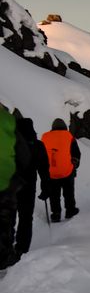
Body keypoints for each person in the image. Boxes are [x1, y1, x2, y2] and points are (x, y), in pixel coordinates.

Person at [0, 103, 30, 269]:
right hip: (5, 182)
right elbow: (23, 155)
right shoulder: (10, 124)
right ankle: (4, 257)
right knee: (5, 219)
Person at [15, 118, 51, 256]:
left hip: (11, 186)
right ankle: (21, 248)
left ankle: (5, 250)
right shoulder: (38, 145)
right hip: (29, 186)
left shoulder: (13, 143)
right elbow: (44, 170)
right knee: (26, 217)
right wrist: (46, 188)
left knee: (9, 217)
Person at [41, 118, 80, 223]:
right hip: (66, 171)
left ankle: (56, 214)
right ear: (65, 127)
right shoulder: (69, 136)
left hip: (50, 172)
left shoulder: (45, 137)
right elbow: (76, 153)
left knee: (54, 194)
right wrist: (75, 165)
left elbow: (41, 154)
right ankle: (70, 210)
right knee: (69, 192)